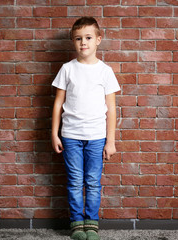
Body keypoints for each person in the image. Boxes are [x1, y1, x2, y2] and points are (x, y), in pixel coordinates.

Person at [51, 17, 121, 240]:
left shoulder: (105, 71)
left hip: (97, 136)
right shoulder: (67, 69)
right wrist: (54, 133)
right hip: (70, 135)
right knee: (74, 181)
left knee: (92, 182)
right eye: (79, 38)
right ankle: (76, 224)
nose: (84, 43)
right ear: (74, 41)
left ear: (98, 40)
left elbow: (111, 108)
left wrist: (110, 141)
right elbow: (57, 103)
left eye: (88, 38)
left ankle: (91, 224)